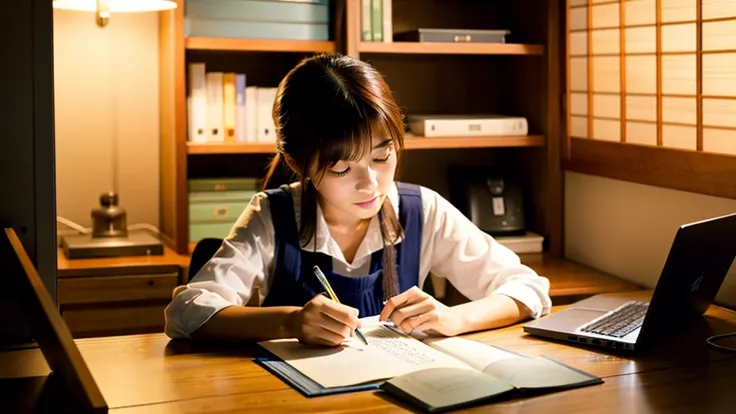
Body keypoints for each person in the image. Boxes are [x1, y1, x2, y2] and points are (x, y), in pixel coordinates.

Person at [164, 53, 551, 346]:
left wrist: (454, 318)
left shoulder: (421, 210)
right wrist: (290, 322)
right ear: (299, 163)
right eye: (341, 169)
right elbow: (185, 312)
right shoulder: (273, 215)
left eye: (382, 157)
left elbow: (528, 289)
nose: (371, 184)